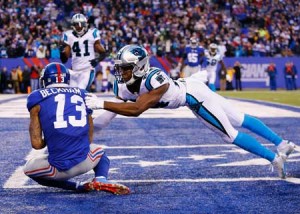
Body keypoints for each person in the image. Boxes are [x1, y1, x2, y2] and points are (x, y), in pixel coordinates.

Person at [85, 45, 296, 179]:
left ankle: (274, 157)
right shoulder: (122, 86)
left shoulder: (155, 78)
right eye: (120, 68)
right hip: (191, 85)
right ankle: (282, 144)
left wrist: (101, 103)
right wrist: (90, 120)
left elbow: (137, 109)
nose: (121, 72)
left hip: (193, 96)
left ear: (139, 67)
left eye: (125, 68)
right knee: (239, 118)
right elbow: (105, 119)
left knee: (229, 134)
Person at [23, 62, 130, 195]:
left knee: (28, 168)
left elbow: (37, 144)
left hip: (57, 169)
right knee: (100, 152)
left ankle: (76, 186)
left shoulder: (36, 97)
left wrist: (51, 136)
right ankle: (101, 178)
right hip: (85, 161)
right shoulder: (83, 94)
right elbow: (89, 138)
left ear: (45, 80)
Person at [60, 13, 107, 90]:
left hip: (87, 70)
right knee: (71, 93)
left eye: (81, 24)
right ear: (73, 25)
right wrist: (62, 51)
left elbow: (103, 52)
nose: (79, 26)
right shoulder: (69, 35)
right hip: (74, 70)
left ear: (85, 24)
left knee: (80, 91)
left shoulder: (92, 33)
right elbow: (64, 60)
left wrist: (97, 59)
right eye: (76, 24)